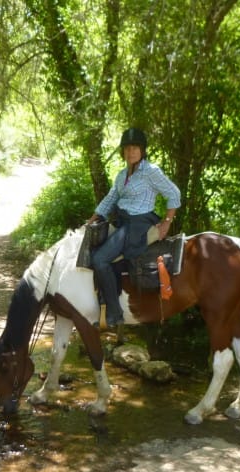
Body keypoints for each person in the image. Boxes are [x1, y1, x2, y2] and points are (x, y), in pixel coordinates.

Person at [86, 128, 181, 328]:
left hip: (138, 223)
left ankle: (114, 313)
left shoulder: (151, 172)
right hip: (123, 221)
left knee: (100, 259)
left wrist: (167, 221)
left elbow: (174, 193)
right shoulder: (122, 175)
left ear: (142, 150)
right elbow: (110, 199)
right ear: (123, 152)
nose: (131, 152)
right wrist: (91, 219)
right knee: (97, 246)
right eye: (128, 148)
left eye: (135, 148)